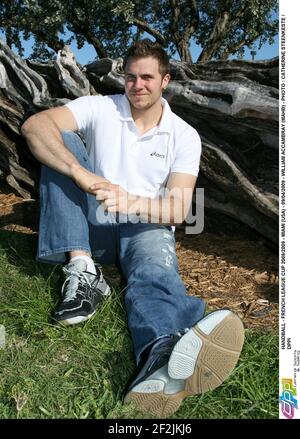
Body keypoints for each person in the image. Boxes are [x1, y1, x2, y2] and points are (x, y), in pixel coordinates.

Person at [21, 39, 244, 418]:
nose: (137, 85)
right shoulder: (102, 107)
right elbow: (35, 125)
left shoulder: (183, 135)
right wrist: (83, 174)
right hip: (93, 222)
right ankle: (83, 271)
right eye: (130, 77)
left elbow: (177, 210)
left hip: (146, 225)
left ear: (165, 81)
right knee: (63, 145)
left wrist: (133, 202)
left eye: (147, 77)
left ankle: (160, 356)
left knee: (153, 273)